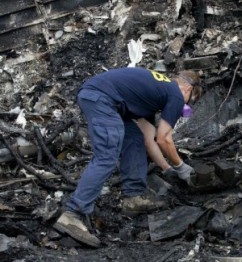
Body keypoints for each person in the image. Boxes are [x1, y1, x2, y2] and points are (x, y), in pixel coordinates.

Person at [53, 67, 202, 247]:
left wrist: (167, 168)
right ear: (188, 89)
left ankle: (133, 197)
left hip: (103, 98)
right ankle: (72, 214)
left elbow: (149, 140)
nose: (185, 106)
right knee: (107, 156)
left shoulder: (153, 95)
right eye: (190, 101)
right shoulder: (176, 94)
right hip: (102, 98)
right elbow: (164, 139)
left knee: (133, 138)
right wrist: (181, 167)